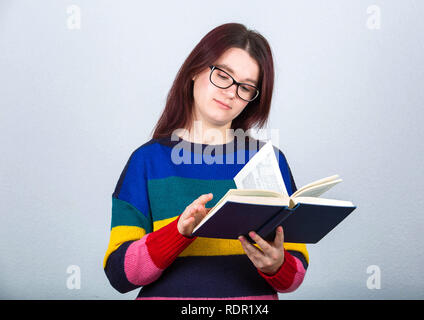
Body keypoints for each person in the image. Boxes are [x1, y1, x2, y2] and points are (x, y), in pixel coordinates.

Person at [103, 22, 309, 300]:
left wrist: (277, 265)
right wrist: (177, 232)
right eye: (223, 75)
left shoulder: (268, 161)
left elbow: (296, 269)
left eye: (246, 87)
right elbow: (119, 274)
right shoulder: (146, 161)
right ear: (195, 71)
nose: (231, 92)